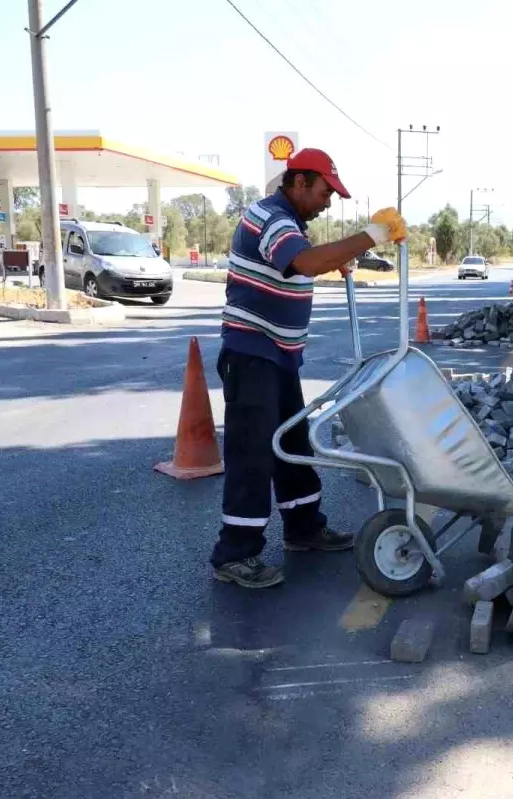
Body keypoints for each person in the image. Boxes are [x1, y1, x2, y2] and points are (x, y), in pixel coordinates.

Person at [212, 148, 407, 588]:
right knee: (252, 453)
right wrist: (371, 234)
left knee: (293, 443)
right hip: (252, 353)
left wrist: (332, 258)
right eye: (325, 192)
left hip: (276, 354)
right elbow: (303, 261)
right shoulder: (271, 216)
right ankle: (234, 555)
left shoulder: (290, 223)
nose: (328, 202)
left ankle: (304, 529)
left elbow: (301, 260)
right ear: (299, 182)